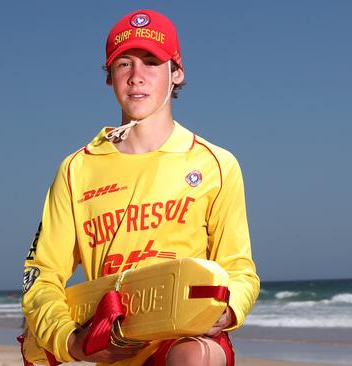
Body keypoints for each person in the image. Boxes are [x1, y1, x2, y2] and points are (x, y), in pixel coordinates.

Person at [21, 9, 260, 366]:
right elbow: (41, 276)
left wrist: (229, 309)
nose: (136, 77)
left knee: (194, 356)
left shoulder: (216, 164)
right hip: (112, 343)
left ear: (176, 73)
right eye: (123, 64)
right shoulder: (76, 169)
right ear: (109, 77)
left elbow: (239, 269)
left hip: (182, 336)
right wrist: (71, 341)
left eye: (151, 62)